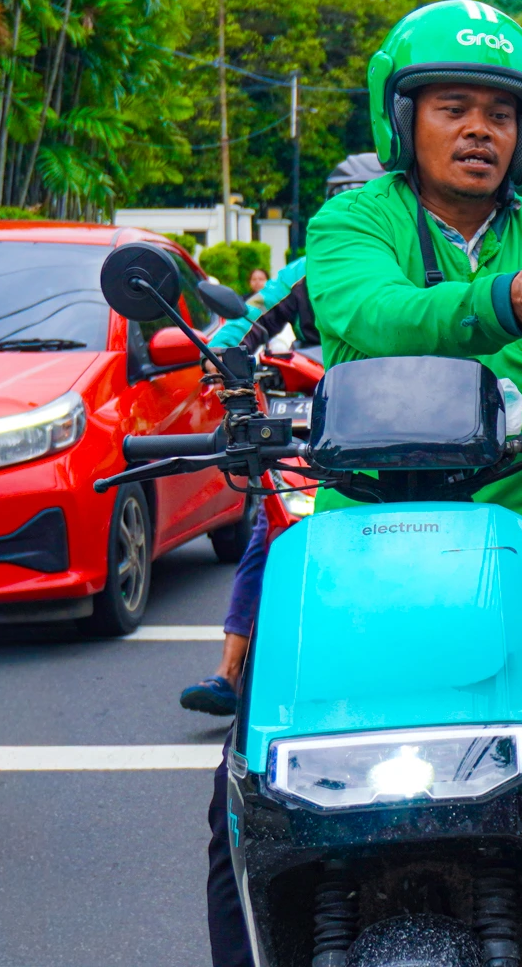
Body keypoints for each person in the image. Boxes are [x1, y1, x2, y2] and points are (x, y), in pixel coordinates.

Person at [206, 0, 522, 967]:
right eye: (452, 106)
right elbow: (379, 315)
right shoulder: (352, 221)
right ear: (403, 119)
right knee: (247, 793)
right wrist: (505, 302)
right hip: (363, 539)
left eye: (500, 111)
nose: (480, 128)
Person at [177, 257, 313, 716]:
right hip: (320, 418)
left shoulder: (440, 256)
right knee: (273, 527)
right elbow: (249, 315)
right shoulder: (320, 258)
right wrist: (221, 357)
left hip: (421, 433)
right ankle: (229, 673)